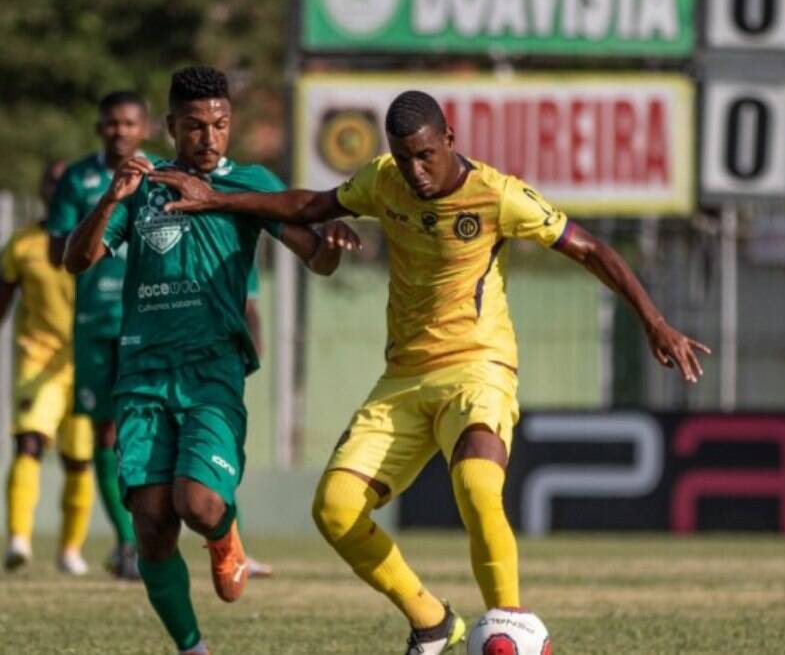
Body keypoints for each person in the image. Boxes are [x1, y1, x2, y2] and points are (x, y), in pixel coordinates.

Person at [158, 90, 711, 655]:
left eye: (425, 155)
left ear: (449, 140)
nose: (415, 171)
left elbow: (591, 249)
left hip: (479, 367)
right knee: (335, 510)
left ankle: (510, 623)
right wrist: (217, 201)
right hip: (403, 379)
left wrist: (654, 322)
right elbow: (309, 207)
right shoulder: (382, 181)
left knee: (475, 483)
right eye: (403, 158)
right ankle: (433, 623)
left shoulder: (498, 195)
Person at [63, 66, 358, 654]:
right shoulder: (143, 186)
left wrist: (332, 246)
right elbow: (77, 259)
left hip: (212, 368)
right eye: (195, 126)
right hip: (143, 371)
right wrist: (110, 199)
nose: (209, 137)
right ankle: (192, 648)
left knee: (195, 503)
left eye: (220, 125)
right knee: (150, 521)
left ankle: (225, 537)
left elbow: (315, 258)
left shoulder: (248, 183)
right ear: (171, 126)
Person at [46, 91, 156, 578]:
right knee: (106, 433)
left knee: (148, 429)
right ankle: (130, 543)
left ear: (144, 129)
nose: (120, 131)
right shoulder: (79, 179)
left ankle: (156, 535)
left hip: (148, 320)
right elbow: (57, 253)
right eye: (111, 124)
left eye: (129, 123)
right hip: (95, 325)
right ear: (100, 128)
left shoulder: (160, 178)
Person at [0, 160, 96, 575]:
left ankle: (70, 550)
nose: (56, 187)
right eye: (50, 180)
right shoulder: (23, 244)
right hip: (36, 358)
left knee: (79, 460)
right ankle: (18, 540)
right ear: (42, 189)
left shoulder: (98, 239)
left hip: (85, 362)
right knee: (29, 444)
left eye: (64, 181)